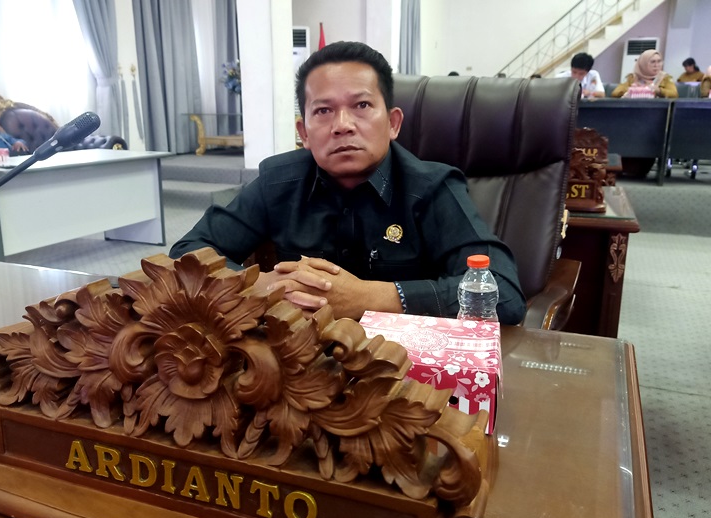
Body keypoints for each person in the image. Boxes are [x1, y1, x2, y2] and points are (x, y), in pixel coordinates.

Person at [169, 41, 526, 325]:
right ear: (304, 133)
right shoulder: (278, 181)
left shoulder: (432, 188)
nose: (342, 125)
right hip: (299, 362)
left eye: (362, 105)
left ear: (393, 123)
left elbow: (504, 294)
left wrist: (368, 298)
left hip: (402, 369)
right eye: (323, 111)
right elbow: (187, 254)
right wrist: (260, 284)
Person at [611, 50, 678, 98]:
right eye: (653, 62)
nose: (656, 65)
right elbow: (616, 93)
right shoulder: (632, 77)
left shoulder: (665, 78)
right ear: (643, 64)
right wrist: (636, 90)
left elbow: (674, 94)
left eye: (659, 61)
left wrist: (658, 91)